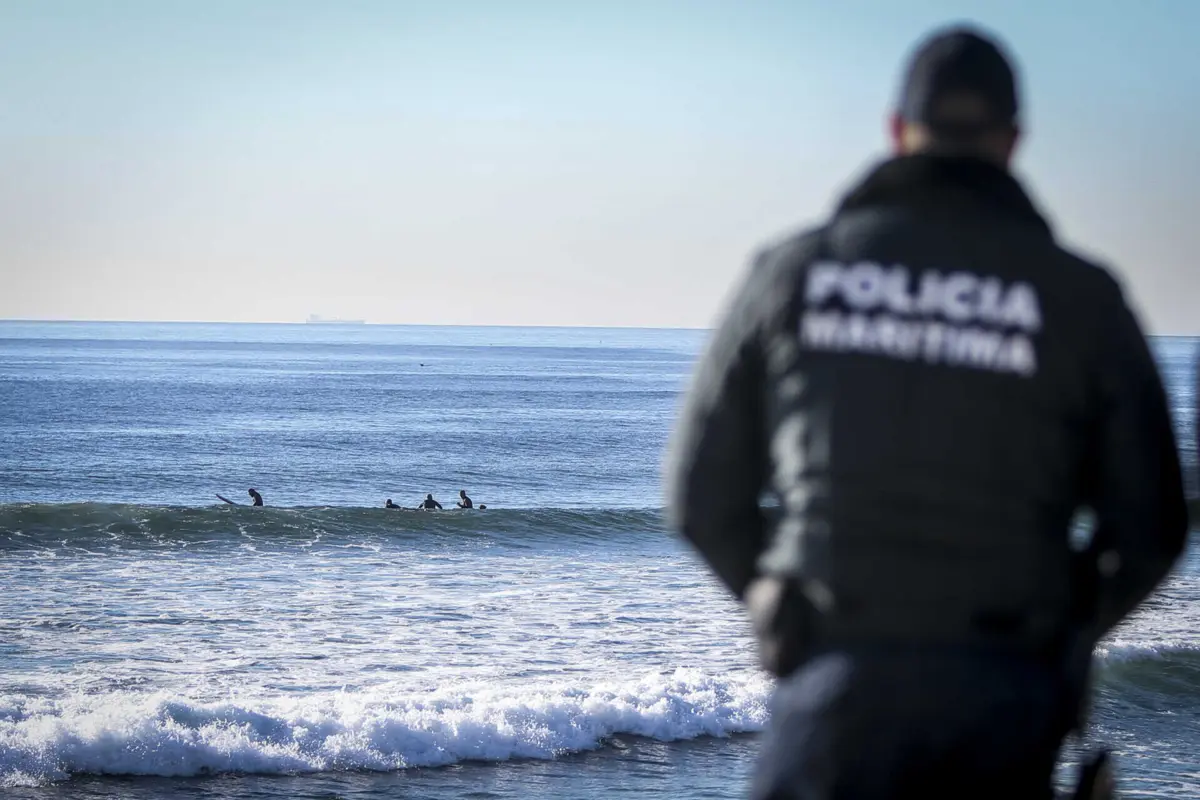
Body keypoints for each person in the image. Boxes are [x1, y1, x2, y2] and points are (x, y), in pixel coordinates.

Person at [665, 24, 1188, 800]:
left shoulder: (794, 275)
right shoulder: (1081, 298)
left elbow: (700, 498)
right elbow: (1153, 526)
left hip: (833, 687)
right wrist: (1063, 631)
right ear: (1014, 141)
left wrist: (774, 601)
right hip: (1005, 702)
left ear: (896, 131)